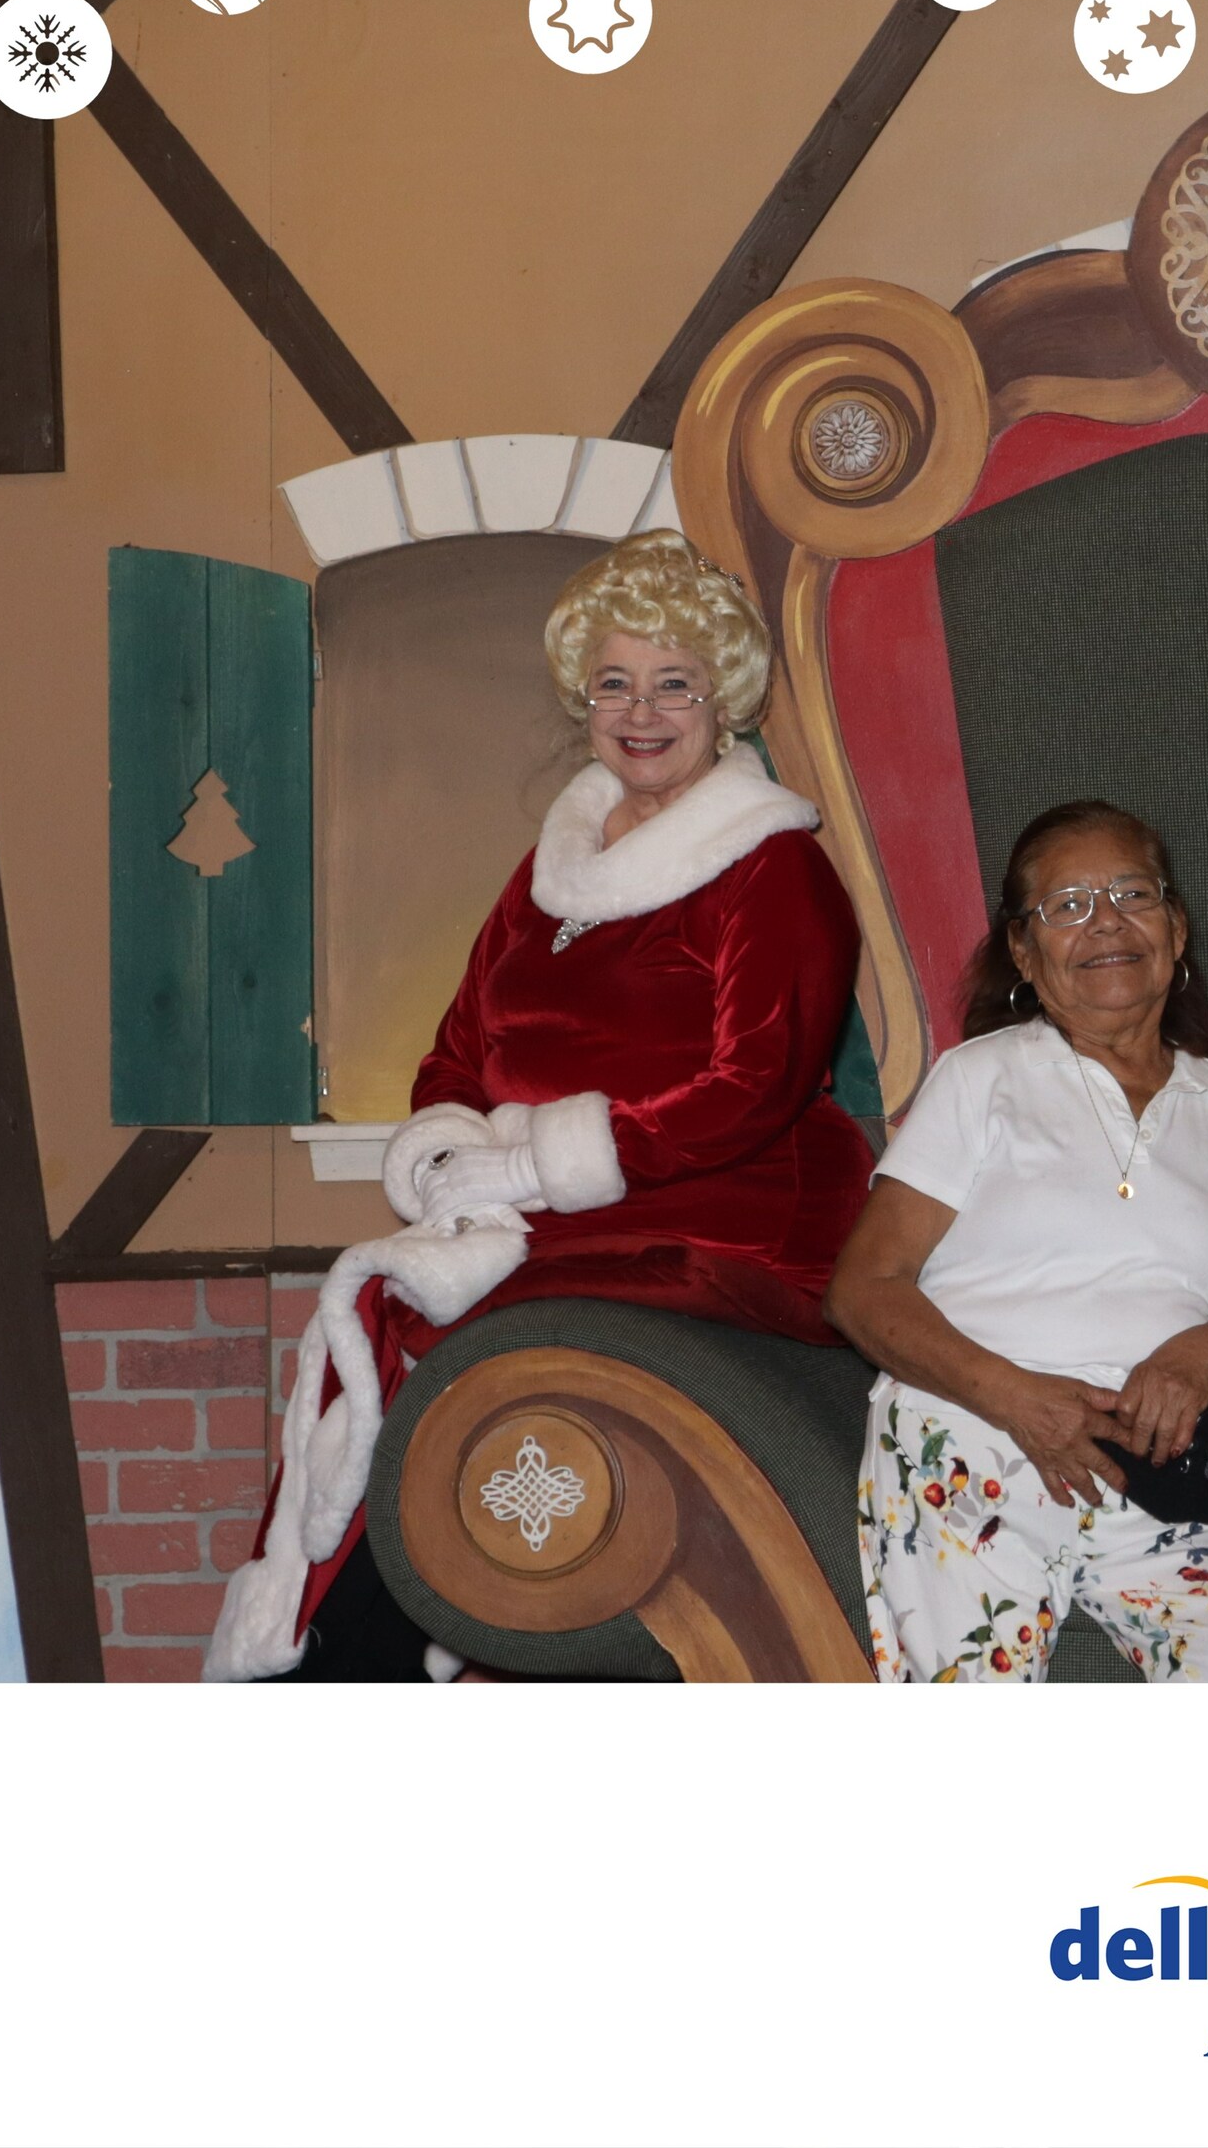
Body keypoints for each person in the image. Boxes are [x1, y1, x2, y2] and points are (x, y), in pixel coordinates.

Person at [206, 531, 872, 1681]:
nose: (641, 712)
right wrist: (447, 1152)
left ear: (723, 700)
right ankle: (328, 1654)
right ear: (582, 697)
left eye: (673, 683)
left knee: (452, 1336)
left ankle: (356, 1665)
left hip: (725, 1222)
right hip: (554, 1222)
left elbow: (751, 1087)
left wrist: (532, 1167)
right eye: (615, 682)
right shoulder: (549, 868)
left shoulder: (773, 868)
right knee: (403, 1316)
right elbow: (460, 1047)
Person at [826, 801, 1208, 1683]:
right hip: (976, 1443)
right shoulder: (981, 1078)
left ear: (1176, 926)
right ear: (1023, 951)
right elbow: (863, 1289)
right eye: (1068, 905)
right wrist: (1019, 1400)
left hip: (1166, 1475)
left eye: (1132, 893)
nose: (1106, 923)